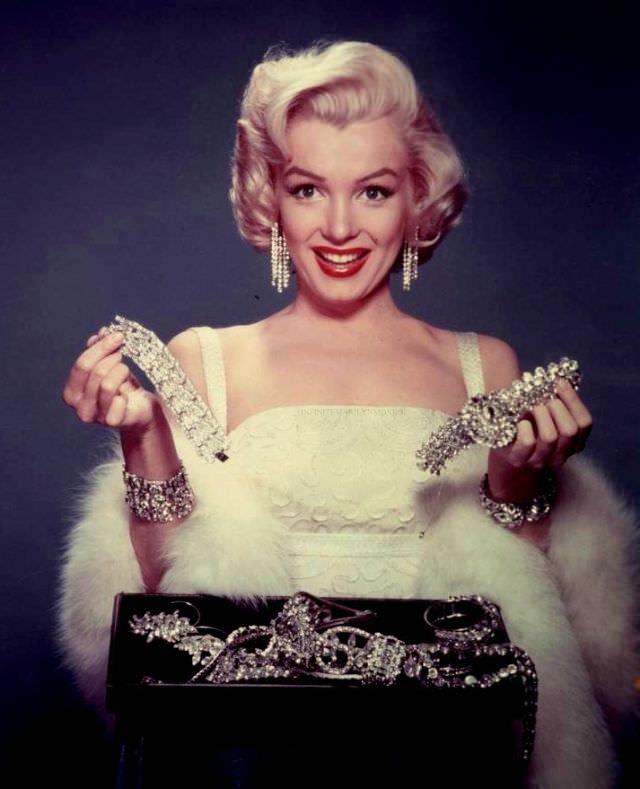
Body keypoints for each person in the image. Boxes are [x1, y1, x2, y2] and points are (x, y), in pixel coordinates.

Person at [59, 40, 638, 787]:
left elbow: (516, 609)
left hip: (435, 757)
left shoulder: (483, 366)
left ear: (416, 202)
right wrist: (142, 437)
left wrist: (517, 478)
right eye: (308, 189)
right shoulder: (204, 358)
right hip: (243, 755)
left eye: (373, 191)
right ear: (271, 199)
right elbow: (171, 595)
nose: (338, 227)